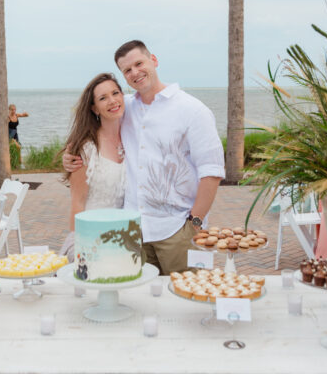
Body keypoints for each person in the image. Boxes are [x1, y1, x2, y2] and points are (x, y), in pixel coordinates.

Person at [63, 40, 225, 274]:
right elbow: (96, 128)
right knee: (140, 301)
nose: (135, 72)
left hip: (177, 231)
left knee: (187, 300)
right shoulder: (125, 107)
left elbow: (211, 173)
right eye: (127, 70)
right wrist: (69, 157)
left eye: (139, 63)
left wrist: (195, 224)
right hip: (133, 234)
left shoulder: (192, 110)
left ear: (154, 60)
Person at [59, 73, 126, 261]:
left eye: (115, 93)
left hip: (123, 238)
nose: (112, 101)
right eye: (103, 98)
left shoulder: (132, 139)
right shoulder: (85, 149)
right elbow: (77, 202)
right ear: (95, 109)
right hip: (92, 237)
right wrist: (80, 244)